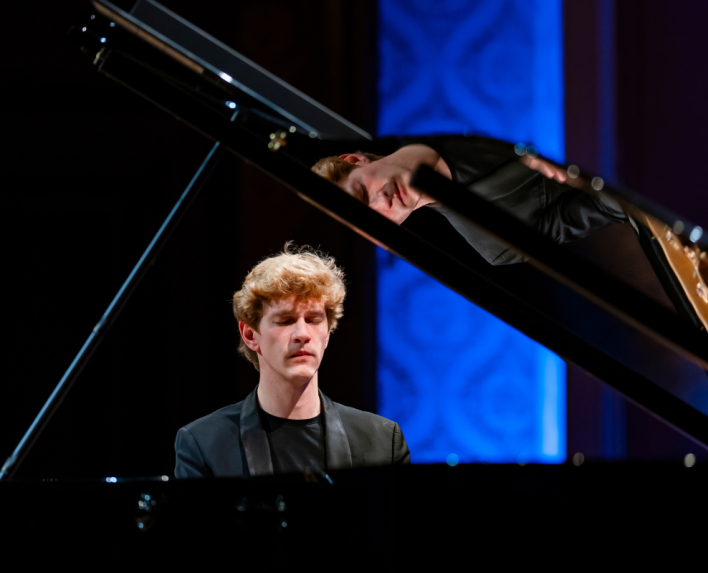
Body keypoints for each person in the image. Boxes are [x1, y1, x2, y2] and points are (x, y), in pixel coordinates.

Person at [174, 245, 410, 478]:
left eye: (313, 319)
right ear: (250, 335)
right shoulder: (203, 444)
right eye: (285, 320)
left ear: (327, 334)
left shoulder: (383, 441)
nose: (302, 334)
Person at [311, 135, 627, 266]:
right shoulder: (495, 245)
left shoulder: (446, 115)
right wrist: (585, 174)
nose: (382, 202)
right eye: (373, 217)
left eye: (362, 193)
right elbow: (607, 208)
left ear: (354, 160)